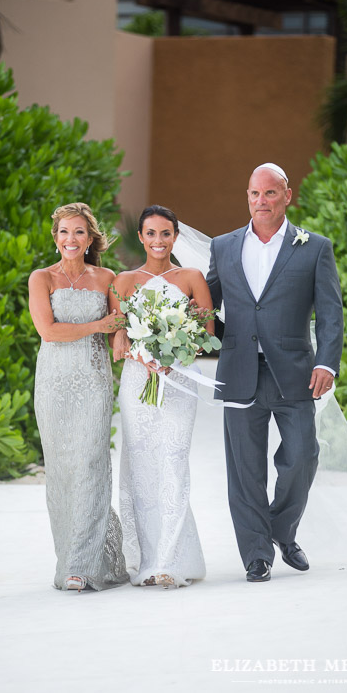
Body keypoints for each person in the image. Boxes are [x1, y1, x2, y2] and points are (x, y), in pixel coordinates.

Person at [206, 163, 344, 582]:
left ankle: (281, 530)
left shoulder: (314, 247)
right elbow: (205, 304)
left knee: (303, 456)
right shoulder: (224, 246)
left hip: (295, 371)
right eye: (253, 194)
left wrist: (327, 362)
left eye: (269, 193)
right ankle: (256, 554)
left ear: (288, 195)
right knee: (245, 468)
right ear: (246, 197)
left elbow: (332, 311)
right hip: (239, 369)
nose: (260, 201)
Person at [110, 205, 213, 588]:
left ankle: (168, 561)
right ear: (140, 237)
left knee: (172, 460)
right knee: (140, 465)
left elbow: (205, 332)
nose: (158, 241)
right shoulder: (123, 281)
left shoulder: (191, 277)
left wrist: (174, 353)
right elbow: (118, 339)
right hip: (138, 382)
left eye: (165, 234)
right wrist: (144, 353)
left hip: (179, 379)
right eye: (150, 233)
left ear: (175, 237)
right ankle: (144, 557)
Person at [29, 202, 129, 592]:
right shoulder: (42, 278)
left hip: (93, 382)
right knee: (62, 470)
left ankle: (80, 567)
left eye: (79, 232)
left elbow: (118, 326)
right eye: (65, 232)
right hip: (53, 384)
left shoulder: (107, 277)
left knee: (90, 464)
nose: (72, 239)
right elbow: (49, 332)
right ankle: (70, 555)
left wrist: (118, 332)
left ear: (90, 239)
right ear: (56, 239)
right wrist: (100, 325)